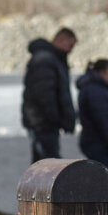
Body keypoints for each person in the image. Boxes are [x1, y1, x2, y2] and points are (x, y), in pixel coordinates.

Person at [21, 27, 77, 162]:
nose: (71, 50)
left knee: (45, 164)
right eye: (70, 45)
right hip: (43, 123)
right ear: (61, 40)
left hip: (42, 122)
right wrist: (57, 118)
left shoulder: (50, 59)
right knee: (48, 165)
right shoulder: (46, 60)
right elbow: (44, 95)